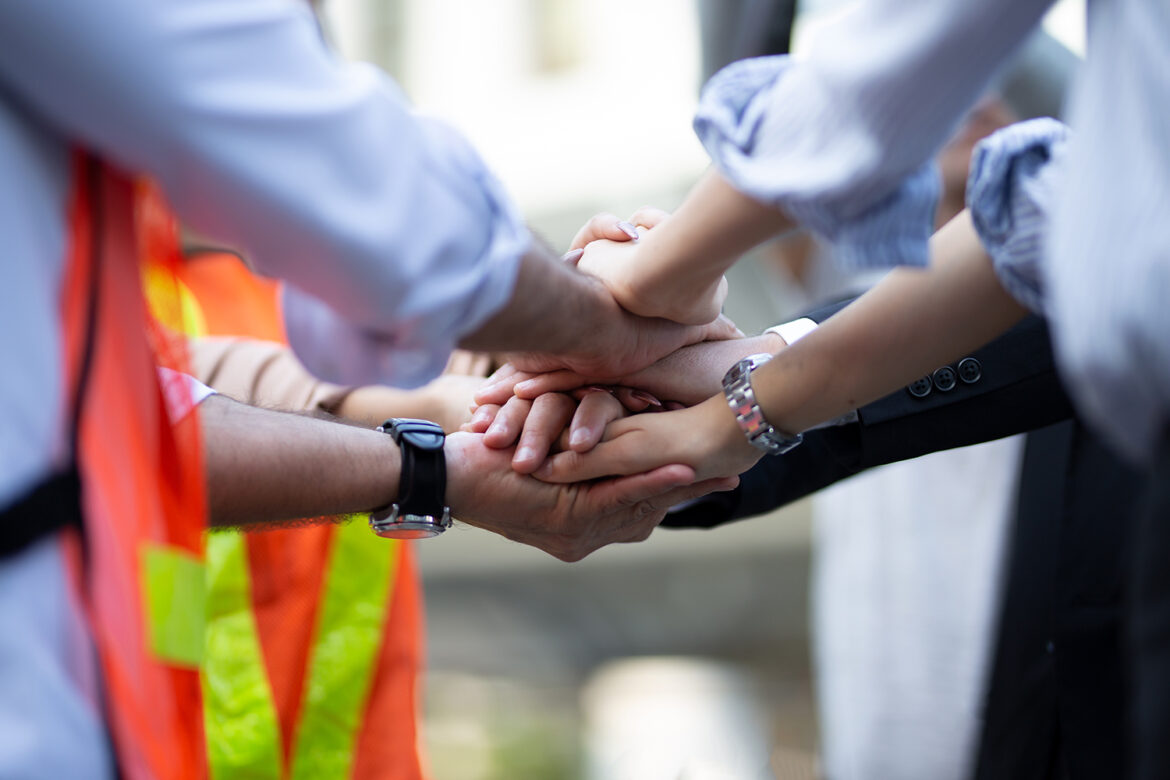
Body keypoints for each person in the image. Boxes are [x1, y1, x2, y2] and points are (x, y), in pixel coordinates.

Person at [0, 1, 740, 775]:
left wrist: (515, 383)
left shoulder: (135, 274)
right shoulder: (132, 274)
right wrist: (601, 331)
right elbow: (370, 203)